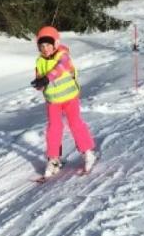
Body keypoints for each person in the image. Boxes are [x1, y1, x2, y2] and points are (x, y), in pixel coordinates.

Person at [33, 26, 97, 177]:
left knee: (75, 124)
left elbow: (61, 68)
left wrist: (47, 78)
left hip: (70, 98)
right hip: (53, 101)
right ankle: (54, 159)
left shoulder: (63, 54)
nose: (45, 48)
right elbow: (39, 78)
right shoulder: (40, 61)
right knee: (54, 128)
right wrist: (39, 84)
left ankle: (87, 152)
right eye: (41, 46)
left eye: (48, 45)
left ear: (55, 43)